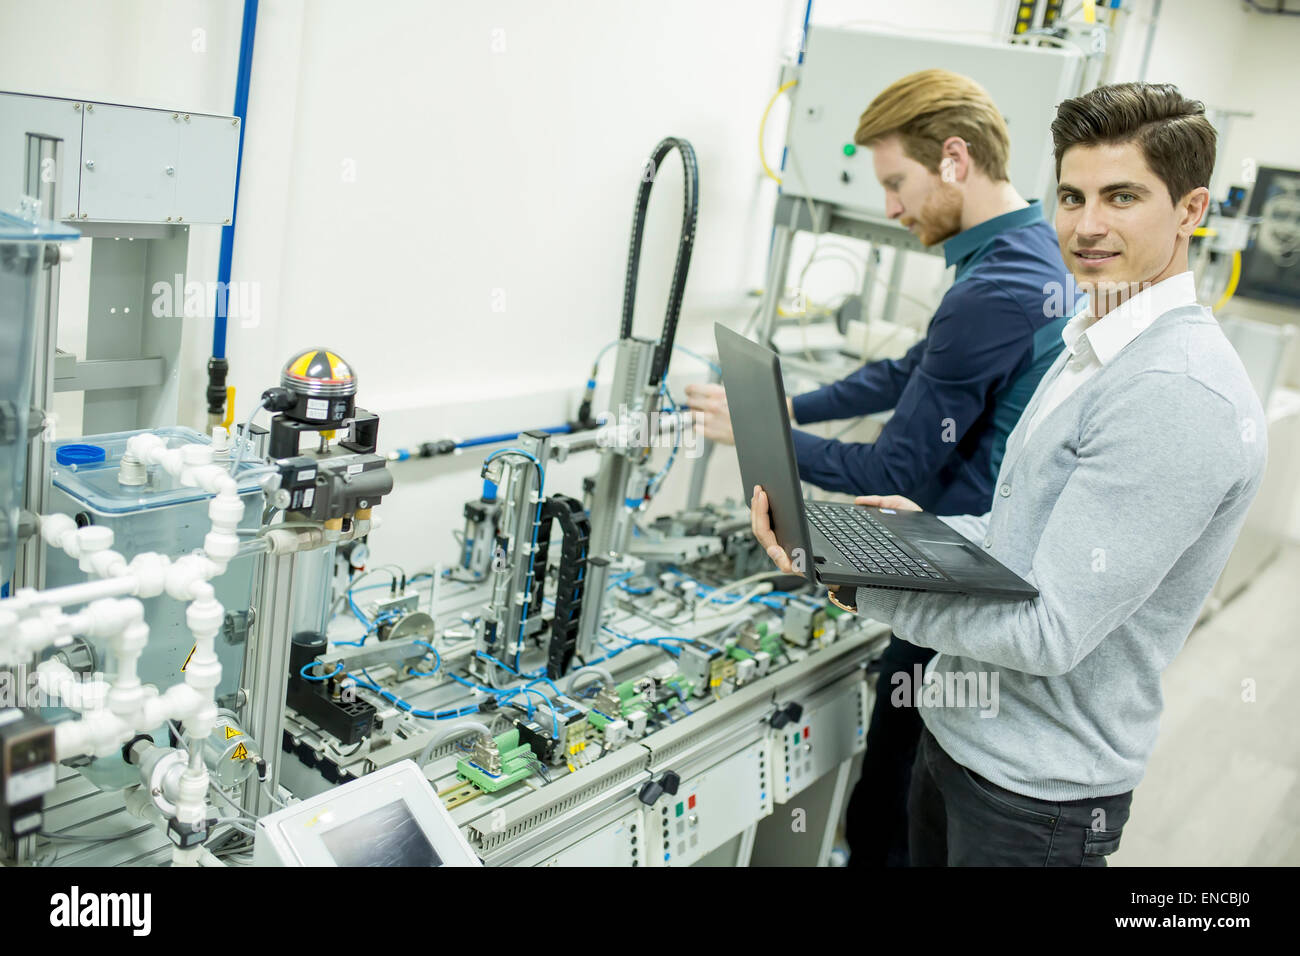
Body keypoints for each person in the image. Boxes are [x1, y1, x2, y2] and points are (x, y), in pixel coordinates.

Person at [750, 81, 1268, 866]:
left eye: (1122, 197)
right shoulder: (1089, 338)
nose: (1087, 226)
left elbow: (1049, 631)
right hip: (964, 744)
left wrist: (862, 584)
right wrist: (917, 534)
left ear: (1191, 210)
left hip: (1035, 799)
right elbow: (1016, 530)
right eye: (1072, 195)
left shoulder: (1176, 391)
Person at [686, 69, 1079, 866]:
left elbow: (895, 464)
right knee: (898, 788)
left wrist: (761, 439)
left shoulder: (999, 284)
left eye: (897, 183)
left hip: (959, 567)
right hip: (975, 552)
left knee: (889, 808)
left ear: (956, 161)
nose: (892, 209)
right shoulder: (1022, 247)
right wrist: (793, 409)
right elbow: (912, 369)